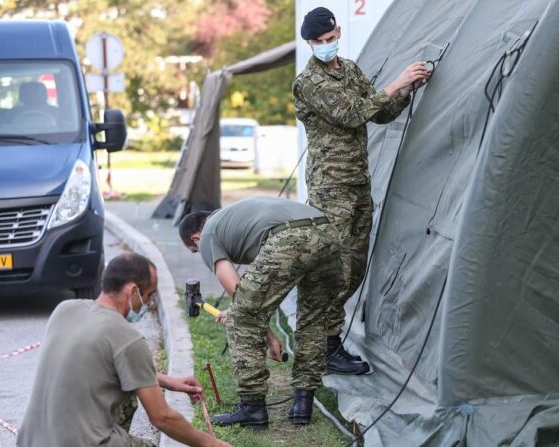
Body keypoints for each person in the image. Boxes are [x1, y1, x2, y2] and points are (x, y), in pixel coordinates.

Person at [293, 7, 431, 374]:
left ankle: (328, 342)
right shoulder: (310, 82)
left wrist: (406, 90)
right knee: (332, 269)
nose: (325, 46)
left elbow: (380, 113)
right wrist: (396, 82)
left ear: (338, 32)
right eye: (317, 43)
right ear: (309, 43)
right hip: (330, 188)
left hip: (357, 183)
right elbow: (354, 113)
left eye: (328, 39)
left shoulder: (349, 69)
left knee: (353, 269)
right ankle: (320, 345)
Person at [18, 252, 230, 447]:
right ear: (132, 291)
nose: (148, 303)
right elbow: (162, 417)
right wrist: (211, 444)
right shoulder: (127, 337)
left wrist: (167, 381)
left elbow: (102, 364)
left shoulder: (64, 311)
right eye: (148, 295)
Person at [178, 197, 343, 428]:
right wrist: (259, 322)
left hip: (290, 237)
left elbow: (236, 290)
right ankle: (303, 404)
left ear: (195, 238)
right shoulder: (234, 217)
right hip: (329, 232)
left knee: (240, 319)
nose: (201, 252)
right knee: (314, 319)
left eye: (195, 250)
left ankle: (252, 408)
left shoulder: (207, 235)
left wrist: (267, 335)